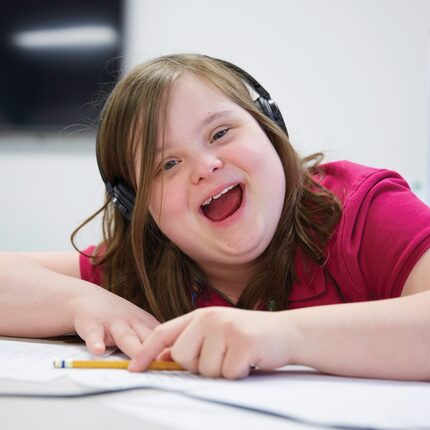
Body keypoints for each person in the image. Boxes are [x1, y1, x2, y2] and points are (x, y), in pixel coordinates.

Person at [1, 54, 430, 381]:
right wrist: (84, 300)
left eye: (220, 133)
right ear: (138, 207)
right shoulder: (146, 266)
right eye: (166, 164)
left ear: (268, 127)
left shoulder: (359, 210)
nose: (205, 165)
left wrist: (284, 336)